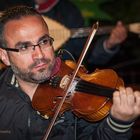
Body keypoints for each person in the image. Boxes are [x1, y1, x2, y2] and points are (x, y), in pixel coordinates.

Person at [0, 6, 140, 140]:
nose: (39, 55)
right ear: (5, 56)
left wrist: (119, 123)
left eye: (44, 41)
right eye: (24, 47)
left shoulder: (77, 99)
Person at [0, 0, 127, 71]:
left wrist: (110, 44)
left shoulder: (68, 11)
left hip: (56, 81)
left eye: (44, 42)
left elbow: (86, 54)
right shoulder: (9, 4)